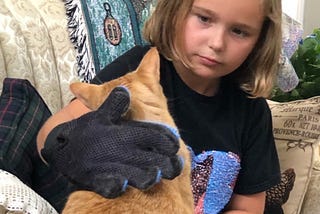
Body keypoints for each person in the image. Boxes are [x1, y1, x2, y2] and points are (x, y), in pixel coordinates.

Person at [37, 0, 282, 213]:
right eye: (204, 18)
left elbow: (247, 208)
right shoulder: (139, 68)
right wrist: (77, 146)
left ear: (260, 40)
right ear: (175, 11)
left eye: (239, 31)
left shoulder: (252, 109)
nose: (217, 43)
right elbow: (48, 134)